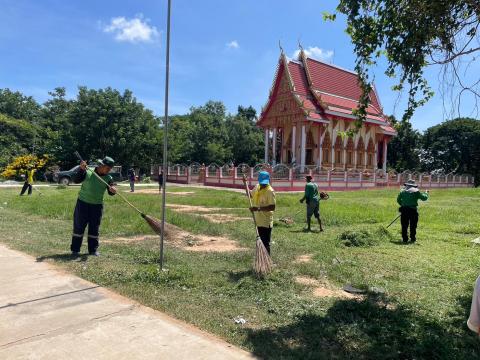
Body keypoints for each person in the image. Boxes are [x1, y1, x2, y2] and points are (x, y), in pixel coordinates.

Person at [70, 157, 117, 256]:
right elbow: (76, 180)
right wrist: (81, 169)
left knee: (94, 228)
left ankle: (93, 250)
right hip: (82, 204)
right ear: (101, 165)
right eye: (107, 168)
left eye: (110, 169)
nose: (109, 171)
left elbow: (111, 191)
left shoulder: (108, 178)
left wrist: (113, 189)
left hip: (97, 206)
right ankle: (75, 250)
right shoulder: (88, 172)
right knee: (79, 226)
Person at [249, 171, 276, 254]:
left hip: (265, 221)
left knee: (265, 243)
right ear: (259, 181)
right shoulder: (257, 187)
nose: (263, 184)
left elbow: (272, 207)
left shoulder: (270, 191)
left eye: (265, 183)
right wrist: (245, 184)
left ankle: (267, 262)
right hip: (258, 220)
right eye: (262, 183)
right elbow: (250, 195)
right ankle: (260, 260)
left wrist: (257, 208)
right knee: (259, 242)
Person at [396, 179, 429, 243]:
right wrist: (426, 193)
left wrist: (403, 205)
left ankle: (405, 239)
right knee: (413, 225)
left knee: (404, 225)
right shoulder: (416, 192)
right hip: (413, 211)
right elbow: (424, 198)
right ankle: (413, 238)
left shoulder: (402, 191)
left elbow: (398, 200)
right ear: (414, 186)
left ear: (407, 185)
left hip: (404, 210)